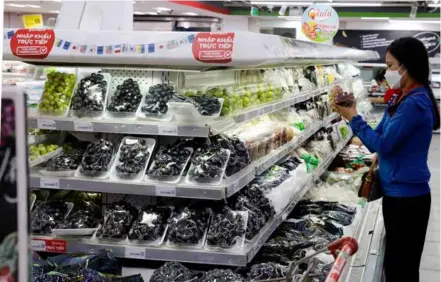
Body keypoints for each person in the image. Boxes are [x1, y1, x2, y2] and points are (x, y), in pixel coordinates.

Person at [334, 37, 440, 282]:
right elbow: (381, 132)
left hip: (408, 199)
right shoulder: (400, 98)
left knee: (401, 268)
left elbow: (382, 145)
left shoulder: (415, 103)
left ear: (406, 66)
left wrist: (354, 119)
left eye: (391, 66)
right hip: (397, 193)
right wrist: (352, 110)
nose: (387, 72)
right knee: (395, 265)